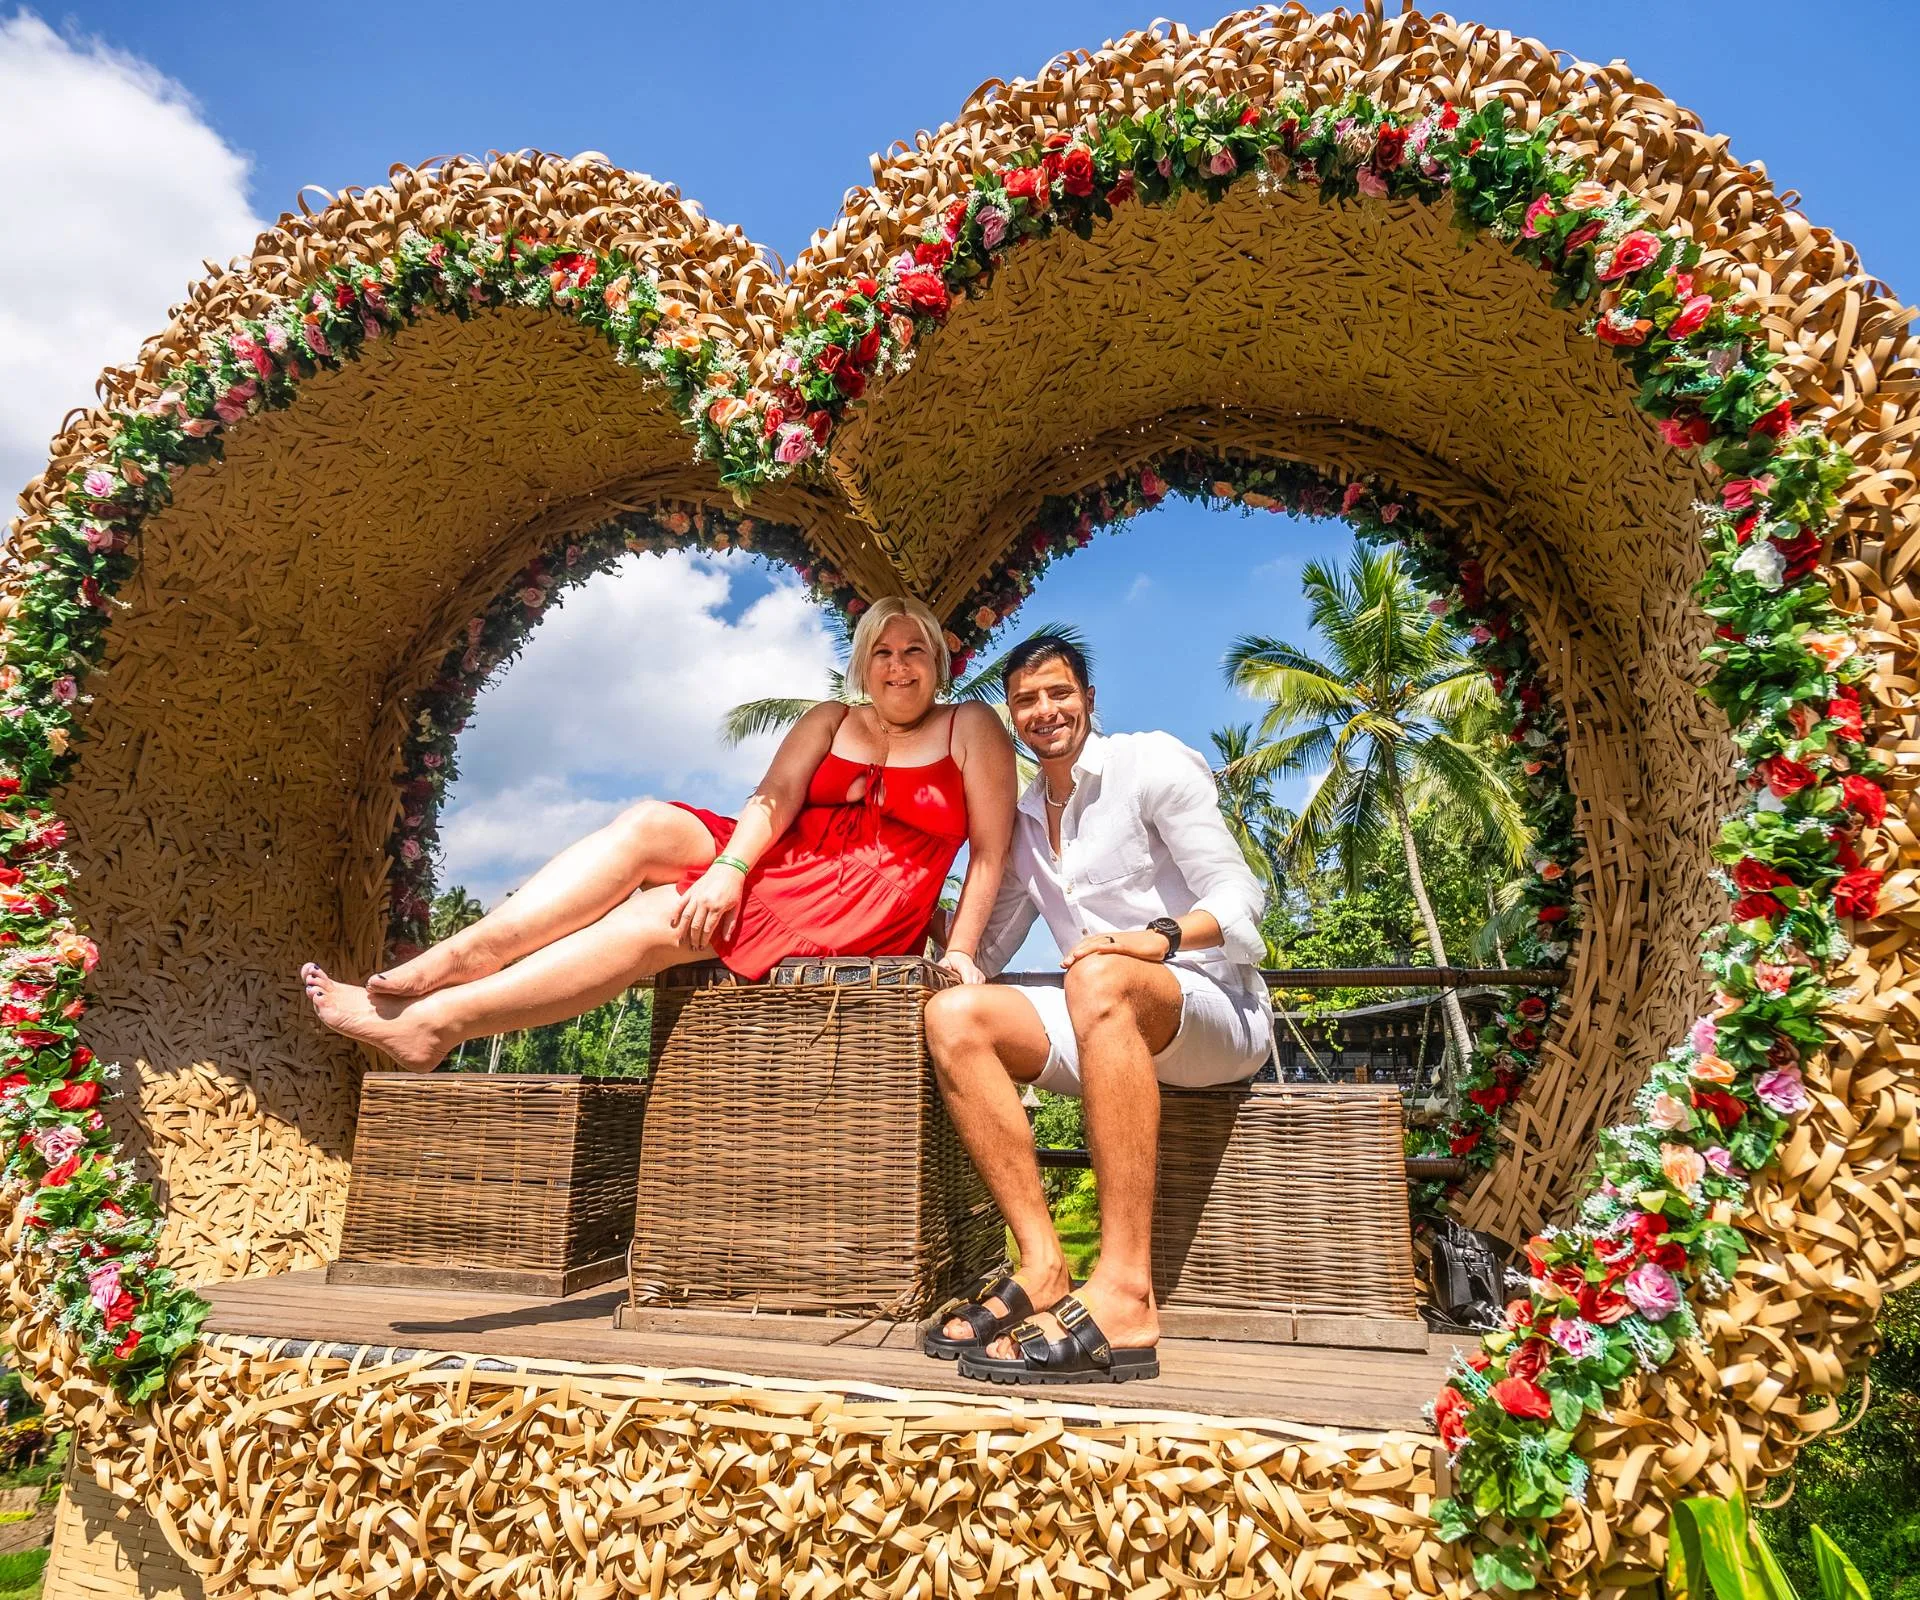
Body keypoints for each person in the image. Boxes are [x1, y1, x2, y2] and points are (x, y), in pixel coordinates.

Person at [303, 597, 1016, 1067]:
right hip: (788, 854)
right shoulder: (830, 718)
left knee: (658, 919)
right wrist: (729, 871)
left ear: (937, 662)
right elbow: (772, 798)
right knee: (648, 822)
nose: (899, 666)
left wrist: (960, 954)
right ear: (865, 662)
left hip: (861, 898)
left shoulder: (969, 728)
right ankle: (458, 956)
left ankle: (441, 1024)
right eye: (884, 653)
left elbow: (988, 851)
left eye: (914, 651)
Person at [920, 634, 1272, 1384]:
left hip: (1216, 1010)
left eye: (1058, 693)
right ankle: (1043, 1264)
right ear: (1012, 716)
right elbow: (985, 950)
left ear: (1087, 698)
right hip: (1103, 1017)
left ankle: (1124, 1292)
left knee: (1101, 974)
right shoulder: (1020, 824)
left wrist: (1156, 940)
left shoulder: (1150, 763)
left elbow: (1242, 898)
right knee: (956, 1017)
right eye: (1025, 700)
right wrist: (907, 908)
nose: (1044, 711)